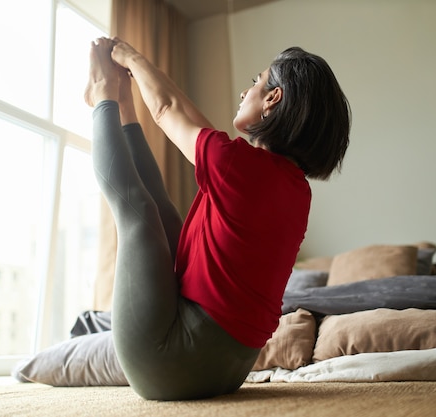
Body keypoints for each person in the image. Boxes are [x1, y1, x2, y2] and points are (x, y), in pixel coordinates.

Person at [84, 37, 350, 401]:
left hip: (168, 364)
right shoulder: (292, 188)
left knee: (140, 215)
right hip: (228, 370)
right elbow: (190, 118)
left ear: (273, 98)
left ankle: (100, 97)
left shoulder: (238, 167)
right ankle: (118, 107)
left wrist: (120, 66)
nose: (245, 92)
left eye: (257, 82)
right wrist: (127, 105)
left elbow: (167, 109)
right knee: (165, 214)